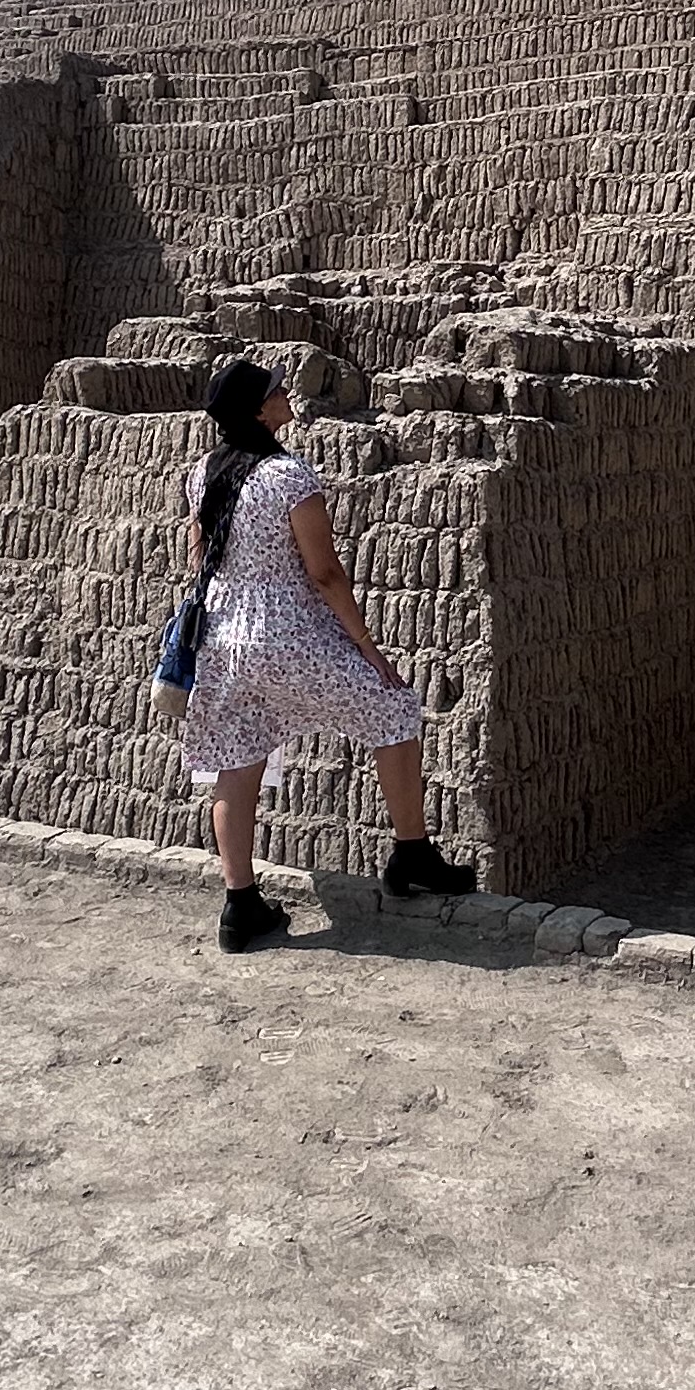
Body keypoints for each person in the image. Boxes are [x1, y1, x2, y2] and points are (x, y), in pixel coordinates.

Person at [180, 356, 478, 951]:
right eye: (275, 390)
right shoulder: (287, 477)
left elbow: (197, 552)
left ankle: (240, 905)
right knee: (393, 709)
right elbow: (325, 572)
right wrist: (367, 648)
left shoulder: (205, 471)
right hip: (284, 635)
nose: (285, 393)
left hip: (223, 636)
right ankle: (412, 855)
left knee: (237, 761)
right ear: (259, 412)